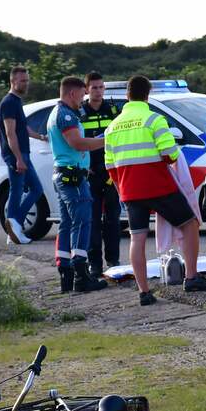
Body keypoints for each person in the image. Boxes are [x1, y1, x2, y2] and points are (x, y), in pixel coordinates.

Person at [105, 75, 206, 305]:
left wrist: (123, 191)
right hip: (158, 186)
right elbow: (170, 154)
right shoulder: (154, 120)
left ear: (127, 95)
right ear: (147, 95)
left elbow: (110, 167)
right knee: (190, 222)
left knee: (137, 238)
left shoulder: (112, 127)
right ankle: (192, 277)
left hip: (130, 191)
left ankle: (144, 292)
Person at [48, 76, 108, 294]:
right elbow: (78, 143)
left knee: (67, 224)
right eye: (82, 94)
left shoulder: (61, 113)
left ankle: (66, 274)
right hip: (72, 178)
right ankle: (81, 276)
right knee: (82, 223)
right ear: (72, 93)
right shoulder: (65, 115)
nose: (83, 99)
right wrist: (106, 140)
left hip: (67, 174)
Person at [0, 66, 47, 245]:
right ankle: (14, 225)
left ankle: (14, 227)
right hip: (17, 155)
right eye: (22, 81)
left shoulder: (16, 102)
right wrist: (18, 158)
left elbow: (23, 128)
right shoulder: (9, 103)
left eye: (27, 80)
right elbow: (11, 133)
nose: (26, 84)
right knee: (18, 191)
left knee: (34, 189)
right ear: (13, 81)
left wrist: (42, 137)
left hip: (22, 153)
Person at [80, 72, 123, 279]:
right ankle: (94, 264)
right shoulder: (80, 112)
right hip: (89, 173)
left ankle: (113, 261)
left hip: (110, 173)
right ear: (86, 90)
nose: (98, 91)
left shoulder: (113, 111)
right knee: (92, 221)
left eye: (101, 87)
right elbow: (76, 142)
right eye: (94, 87)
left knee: (113, 220)